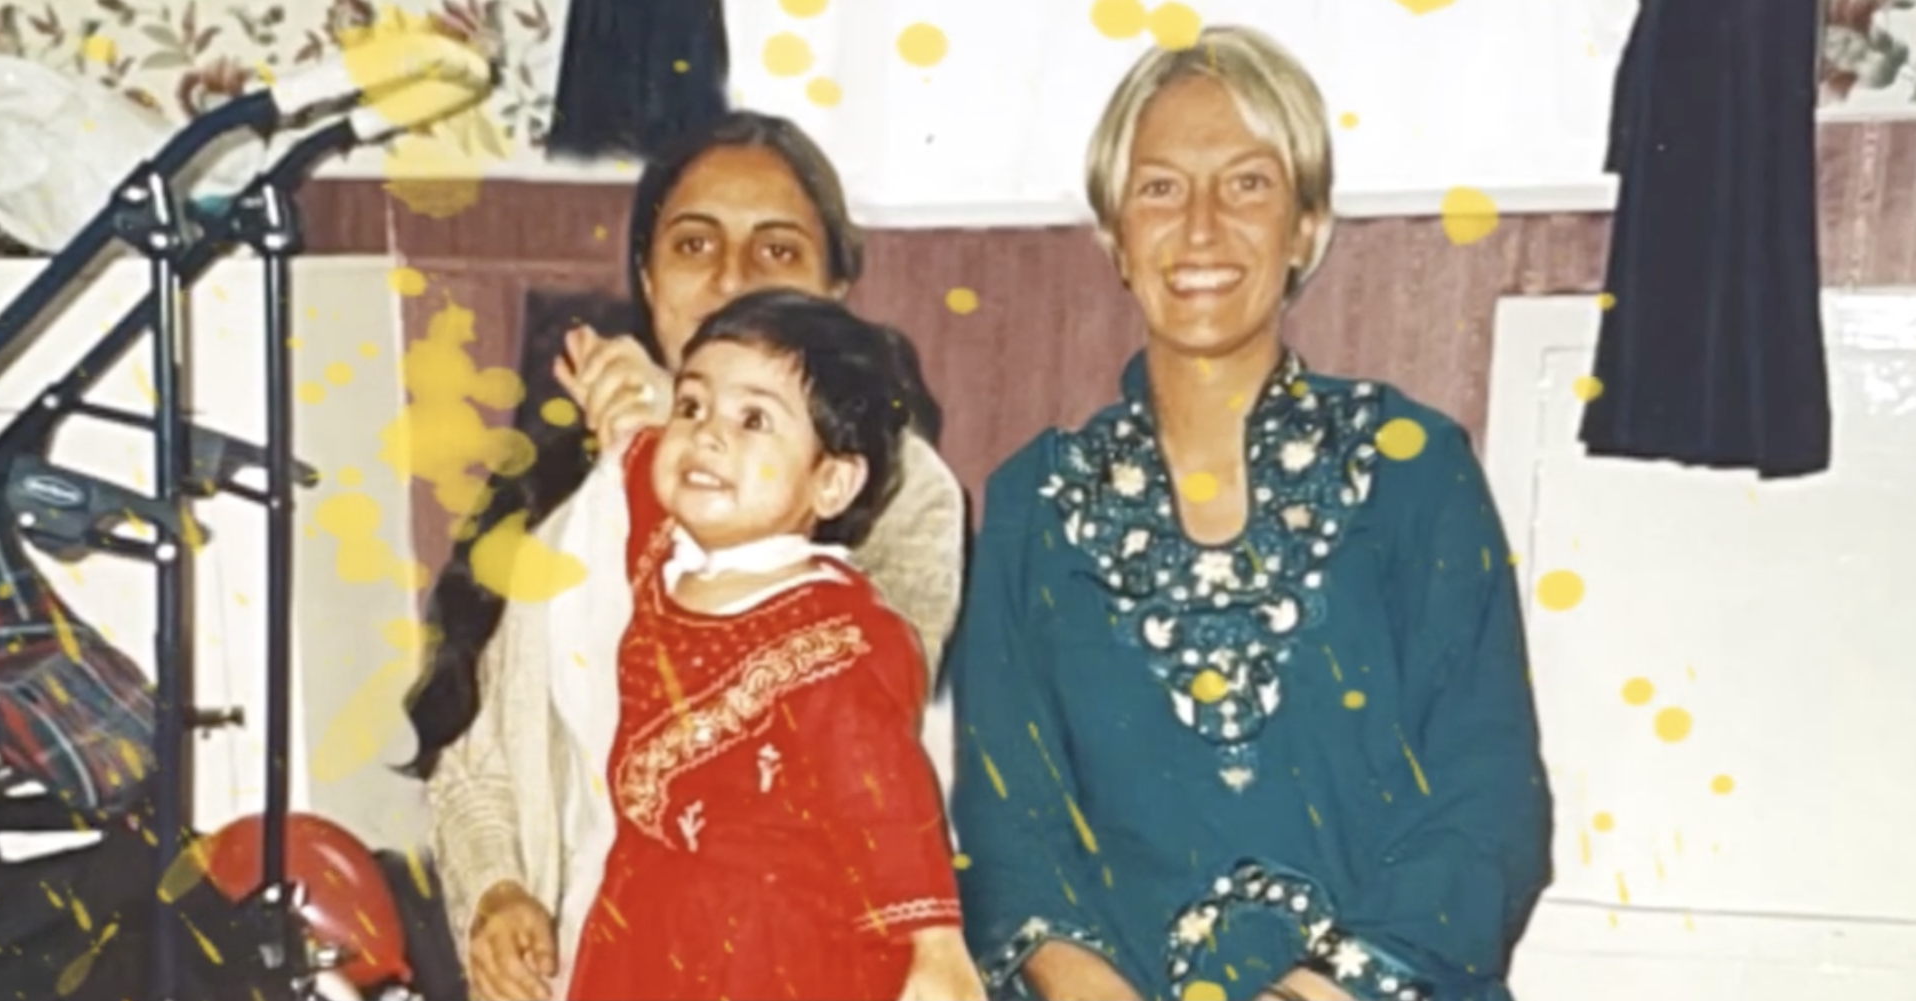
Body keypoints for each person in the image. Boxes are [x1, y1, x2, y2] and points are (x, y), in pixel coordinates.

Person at [946, 27, 1553, 1001]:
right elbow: (1005, 818)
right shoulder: (1036, 502)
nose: (1197, 228)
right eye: (1157, 188)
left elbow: (1488, 797)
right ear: (1112, 233)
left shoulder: (1411, 469)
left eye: (1246, 183)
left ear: (1305, 225)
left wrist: (1315, 990)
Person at [414, 111, 969, 1001]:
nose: (730, 277)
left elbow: (865, 737)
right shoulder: (573, 490)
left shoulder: (898, 488)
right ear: (646, 275)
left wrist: (670, 423)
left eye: (777, 250)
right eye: (694, 243)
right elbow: (470, 756)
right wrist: (497, 892)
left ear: (834, 284)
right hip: (597, 957)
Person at [562, 289, 982, 1001]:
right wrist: (620, 392)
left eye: (753, 419)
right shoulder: (665, 550)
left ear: (832, 480)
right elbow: (642, 458)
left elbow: (888, 803)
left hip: (778, 955)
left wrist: (935, 945)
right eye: (692, 406)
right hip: (639, 941)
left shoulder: (839, 641)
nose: (707, 436)